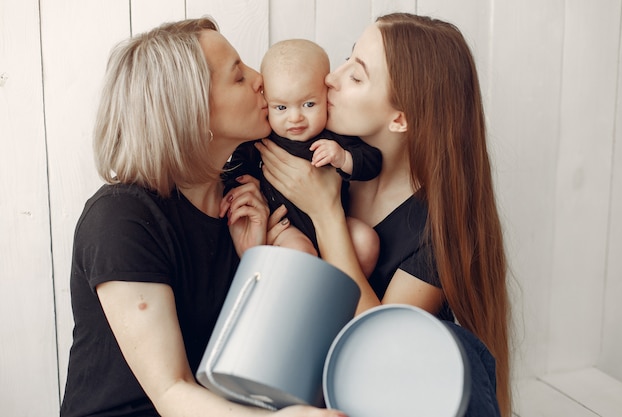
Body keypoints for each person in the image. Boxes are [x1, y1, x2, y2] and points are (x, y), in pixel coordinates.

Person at [60, 17, 346, 417]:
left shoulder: (249, 199)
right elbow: (171, 391)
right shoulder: (121, 218)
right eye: (237, 76)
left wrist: (256, 262)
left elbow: (263, 366)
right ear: (189, 107)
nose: (259, 78)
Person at [258, 13, 511, 417]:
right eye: (346, 59)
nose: (330, 79)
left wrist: (326, 216)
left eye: (356, 77)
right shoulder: (321, 159)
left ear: (400, 118)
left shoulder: (438, 227)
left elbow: (380, 348)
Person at [223, 38, 381, 275]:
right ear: (267, 101)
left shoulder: (334, 137)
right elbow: (232, 173)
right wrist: (246, 185)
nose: (295, 118)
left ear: (326, 95)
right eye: (281, 108)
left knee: (366, 241)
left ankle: (344, 302)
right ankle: (312, 302)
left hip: (335, 222)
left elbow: (373, 161)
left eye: (308, 104)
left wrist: (343, 158)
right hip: (287, 226)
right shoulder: (260, 140)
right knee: (300, 253)